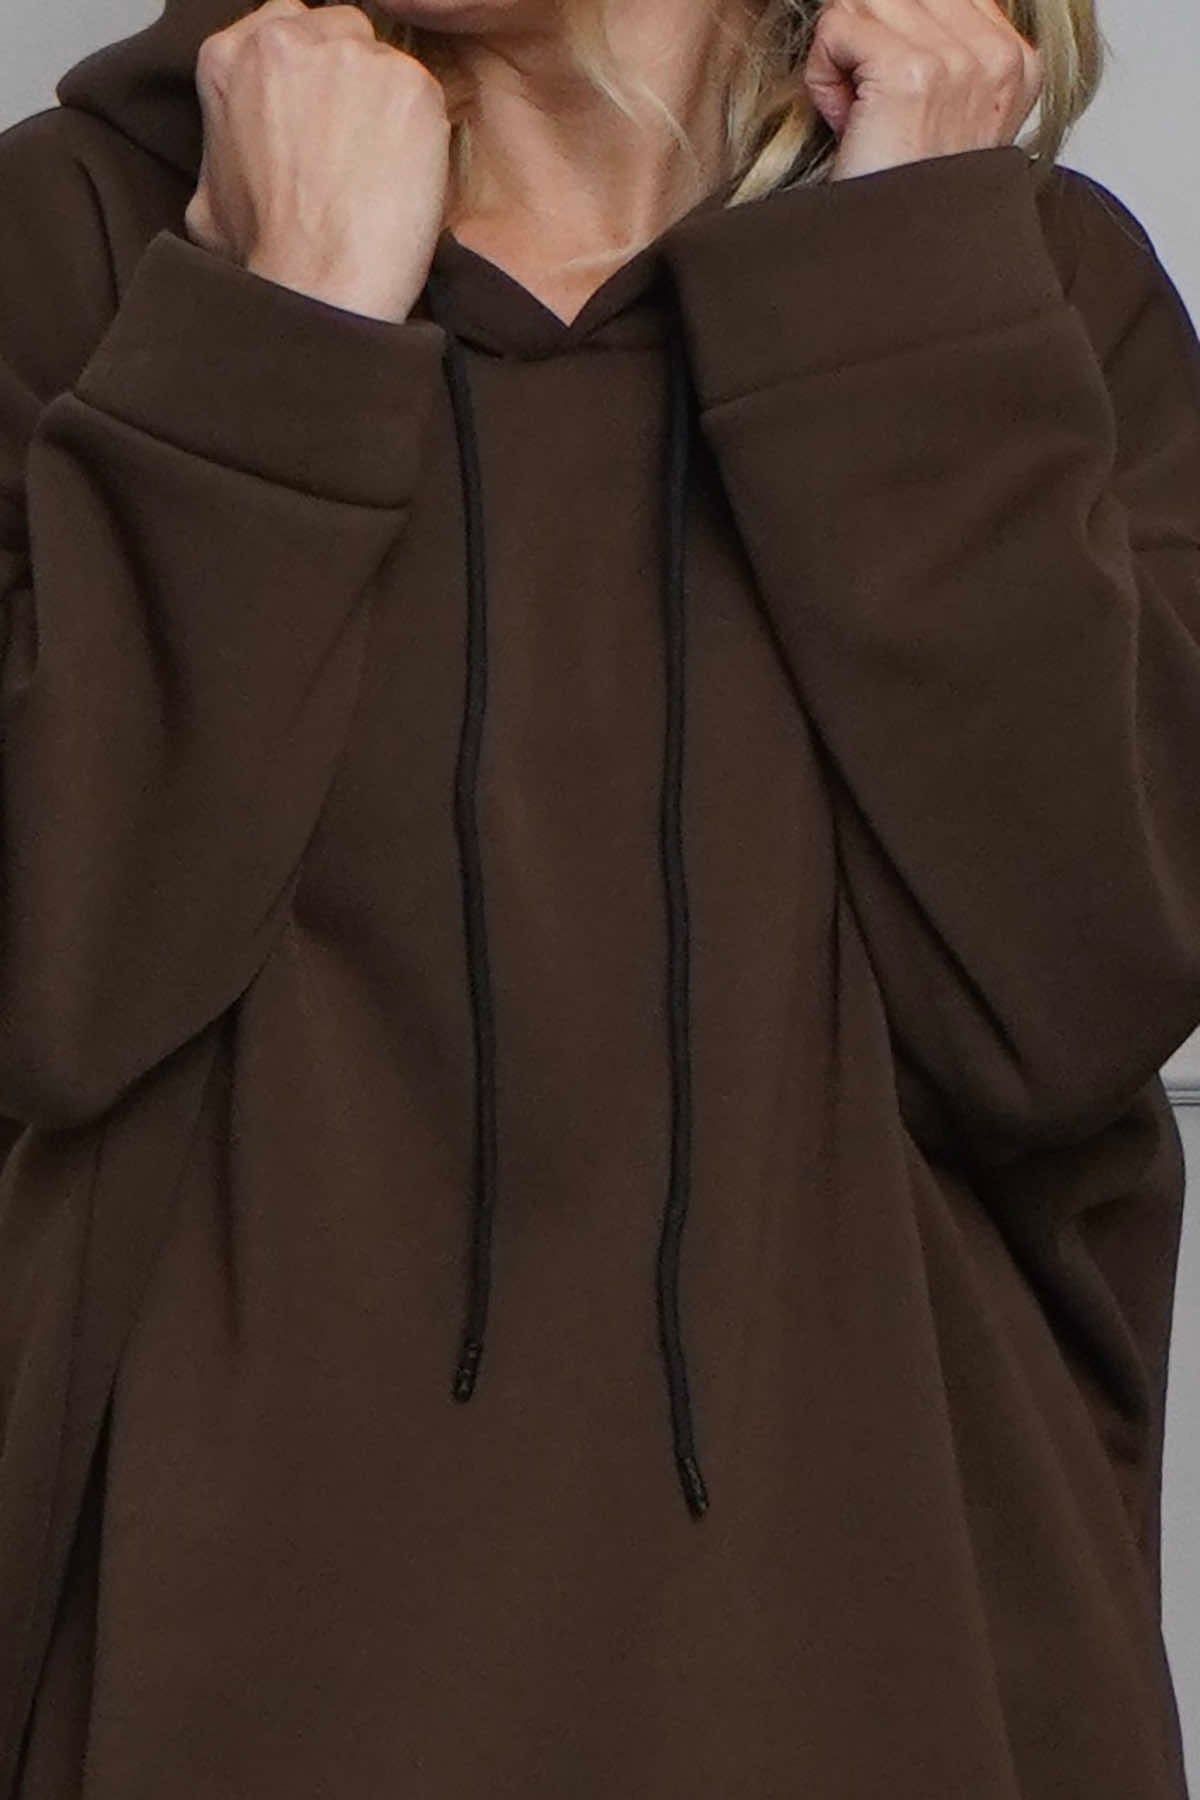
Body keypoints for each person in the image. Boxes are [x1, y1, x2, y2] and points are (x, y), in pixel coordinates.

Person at [0, 0, 1197, 1791]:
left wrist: (900, 286)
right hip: (203, 1707)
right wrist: (283, 322)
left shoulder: (1026, 278)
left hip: (898, 1696)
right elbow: (56, 982)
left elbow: (1076, 998)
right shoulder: (75, 242)